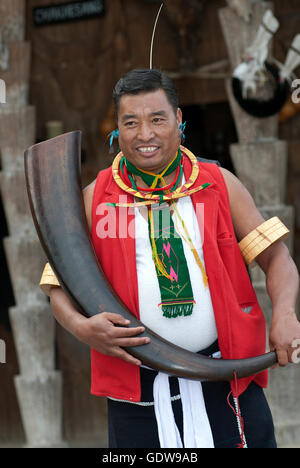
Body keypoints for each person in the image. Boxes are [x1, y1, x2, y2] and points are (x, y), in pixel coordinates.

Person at [44, 69, 300, 449]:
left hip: (225, 378)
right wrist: (82, 328)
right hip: (137, 391)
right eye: (131, 122)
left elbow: (277, 258)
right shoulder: (95, 197)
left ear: (179, 121)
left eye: (157, 119)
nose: (145, 134)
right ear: (118, 128)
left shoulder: (217, 183)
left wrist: (285, 314)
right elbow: (56, 284)